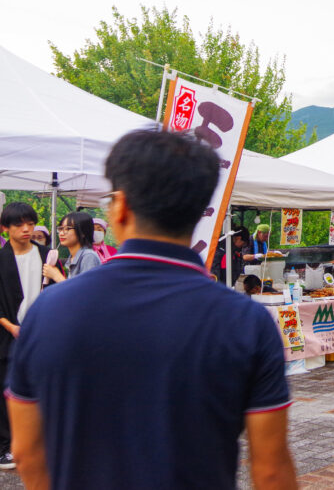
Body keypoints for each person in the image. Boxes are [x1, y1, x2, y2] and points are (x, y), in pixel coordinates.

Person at [6, 129, 296, 489]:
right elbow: (270, 470)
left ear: (122, 206)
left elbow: (27, 451)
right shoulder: (247, 321)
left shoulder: (49, 310)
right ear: (200, 210)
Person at [0, 202, 50, 470]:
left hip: (41, 333)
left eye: (30, 223)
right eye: (19, 224)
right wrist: (9, 326)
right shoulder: (1, 259)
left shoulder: (47, 254)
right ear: (5, 228)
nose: (27, 229)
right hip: (9, 334)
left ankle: (40, 441)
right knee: (6, 388)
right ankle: (8, 445)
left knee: (40, 385)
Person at [43, 212, 102, 283]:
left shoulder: (88, 257)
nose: (61, 233)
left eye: (67, 229)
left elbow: (85, 291)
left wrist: (56, 276)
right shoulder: (72, 258)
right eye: (60, 229)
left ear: (83, 232)